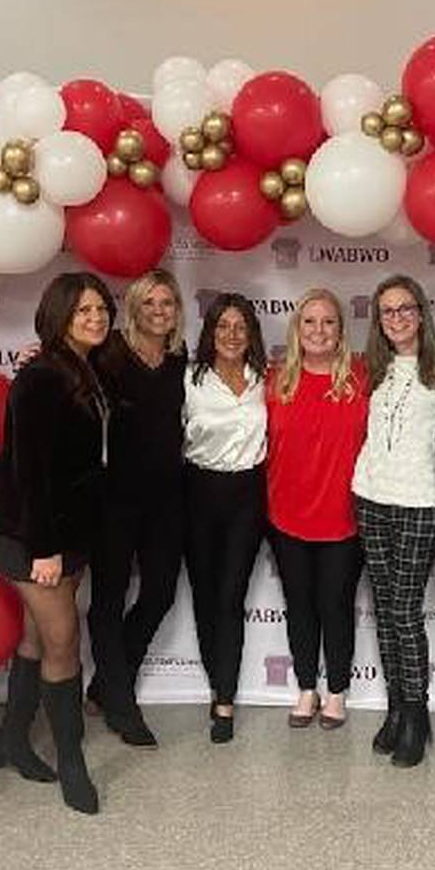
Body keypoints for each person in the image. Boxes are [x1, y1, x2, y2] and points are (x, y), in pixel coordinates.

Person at [0, 272, 111, 815]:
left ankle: (10, 739)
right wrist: (43, 549)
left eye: (101, 308)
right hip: (31, 532)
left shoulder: (85, 367)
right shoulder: (39, 377)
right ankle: (72, 762)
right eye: (82, 311)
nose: (95, 318)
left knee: (37, 637)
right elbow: (30, 471)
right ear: (59, 316)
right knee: (63, 641)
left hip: (70, 528)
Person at [352, 275, 435, 767]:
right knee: (382, 606)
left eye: (405, 309)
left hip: (420, 499)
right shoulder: (372, 368)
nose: (396, 319)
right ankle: (395, 708)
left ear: (421, 312)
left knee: (404, 610)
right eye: (387, 311)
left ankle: (417, 714)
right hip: (370, 495)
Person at [86, 268, 187, 748]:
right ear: (134, 308)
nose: (159, 311)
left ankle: (107, 682)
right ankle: (122, 705)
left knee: (161, 592)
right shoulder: (110, 354)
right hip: (115, 499)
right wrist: (30, 357)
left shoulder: (180, 359)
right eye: (150, 303)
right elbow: (68, 371)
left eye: (167, 303)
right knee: (107, 600)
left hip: (168, 499)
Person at [265, 288, 368, 731]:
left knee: (336, 606)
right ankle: (306, 687)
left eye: (328, 321)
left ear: (341, 330)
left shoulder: (363, 377)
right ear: (296, 329)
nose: (319, 330)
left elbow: (426, 367)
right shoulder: (275, 379)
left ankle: (337, 691)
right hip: (286, 516)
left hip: (344, 519)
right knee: (300, 606)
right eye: (310, 321)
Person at [182, 293, 269, 744]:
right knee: (205, 595)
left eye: (241, 327)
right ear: (210, 333)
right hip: (198, 492)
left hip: (248, 496)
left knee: (231, 595)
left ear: (252, 333)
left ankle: (225, 699)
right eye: (223, 326)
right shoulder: (189, 379)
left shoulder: (265, 380)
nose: (232, 335)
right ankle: (216, 680)